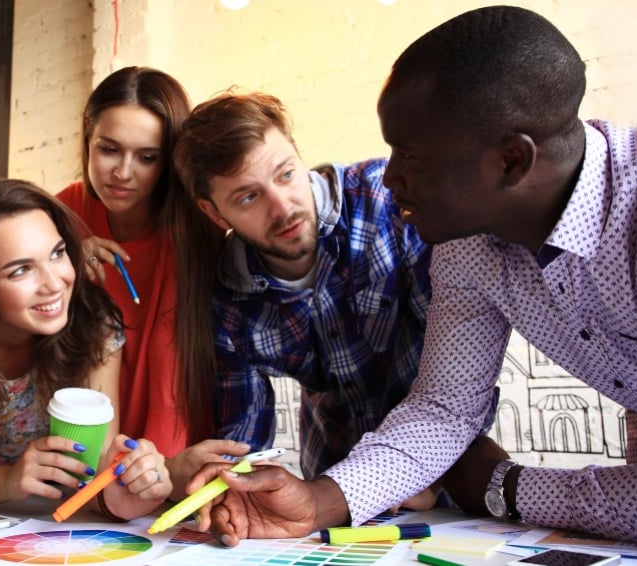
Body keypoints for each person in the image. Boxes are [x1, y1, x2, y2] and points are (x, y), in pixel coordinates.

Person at [190, 5, 637, 551]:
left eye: (410, 155)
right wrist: (315, 503)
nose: (390, 176)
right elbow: (445, 410)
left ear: (510, 162)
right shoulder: (465, 242)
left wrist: (505, 487)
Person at [170, 91, 441, 506]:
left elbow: (456, 368)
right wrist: (231, 491)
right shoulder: (227, 302)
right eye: (248, 197)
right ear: (214, 213)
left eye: (285, 174)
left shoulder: (387, 201)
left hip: (443, 473)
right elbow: (243, 443)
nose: (282, 208)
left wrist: (420, 471)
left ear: (298, 154)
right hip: (329, 484)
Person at [0, 179, 171, 520]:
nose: (55, 283)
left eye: (57, 253)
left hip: (57, 530)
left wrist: (131, 481)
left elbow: (96, 459)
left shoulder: (94, 325)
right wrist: (8, 481)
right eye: (21, 270)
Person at [56, 67, 226, 461]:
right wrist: (60, 261)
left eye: (147, 157)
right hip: (81, 444)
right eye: (108, 149)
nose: (122, 172)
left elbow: (173, 377)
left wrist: (160, 471)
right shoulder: (59, 215)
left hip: (173, 451)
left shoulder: (195, 229)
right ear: (87, 140)